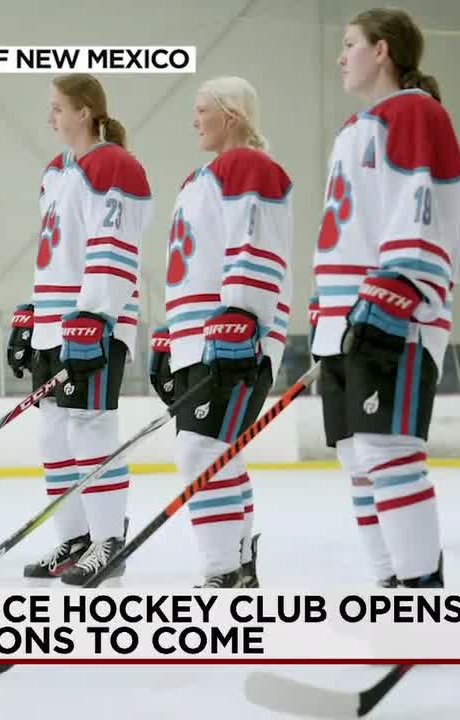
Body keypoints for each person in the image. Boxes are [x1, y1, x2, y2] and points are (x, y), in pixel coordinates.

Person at [310, 8, 460, 589]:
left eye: (350, 43)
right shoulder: (354, 128)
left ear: (382, 51)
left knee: (387, 448)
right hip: (345, 316)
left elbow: (418, 203)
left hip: (392, 312)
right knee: (357, 454)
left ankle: (421, 594)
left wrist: (397, 287)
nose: (340, 55)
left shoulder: (414, 112)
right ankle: (390, 587)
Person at [7, 73, 152, 586]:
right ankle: (74, 540)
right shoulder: (57, 170)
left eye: (58, 107)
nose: (51, 117)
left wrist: (94, 315)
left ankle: (108, 541)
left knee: (90, 431)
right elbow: (57, 252)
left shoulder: (114, 164)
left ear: (86, 110)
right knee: (53, 437)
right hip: (54, 324)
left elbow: (113, 246)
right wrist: (32, 311)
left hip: (91, 323)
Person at [147, 76, 292, 587]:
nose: (194, 119)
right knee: (217, 450)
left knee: (199, 451)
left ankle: (222, 571)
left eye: (202, 109)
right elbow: (194, 264)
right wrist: (172, 333)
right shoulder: (202, 177)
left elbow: (255, 245)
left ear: (230, 114)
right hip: (200, 336)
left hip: (231, 334)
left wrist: (243, 314)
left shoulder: (248, 166)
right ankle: (240, 563)